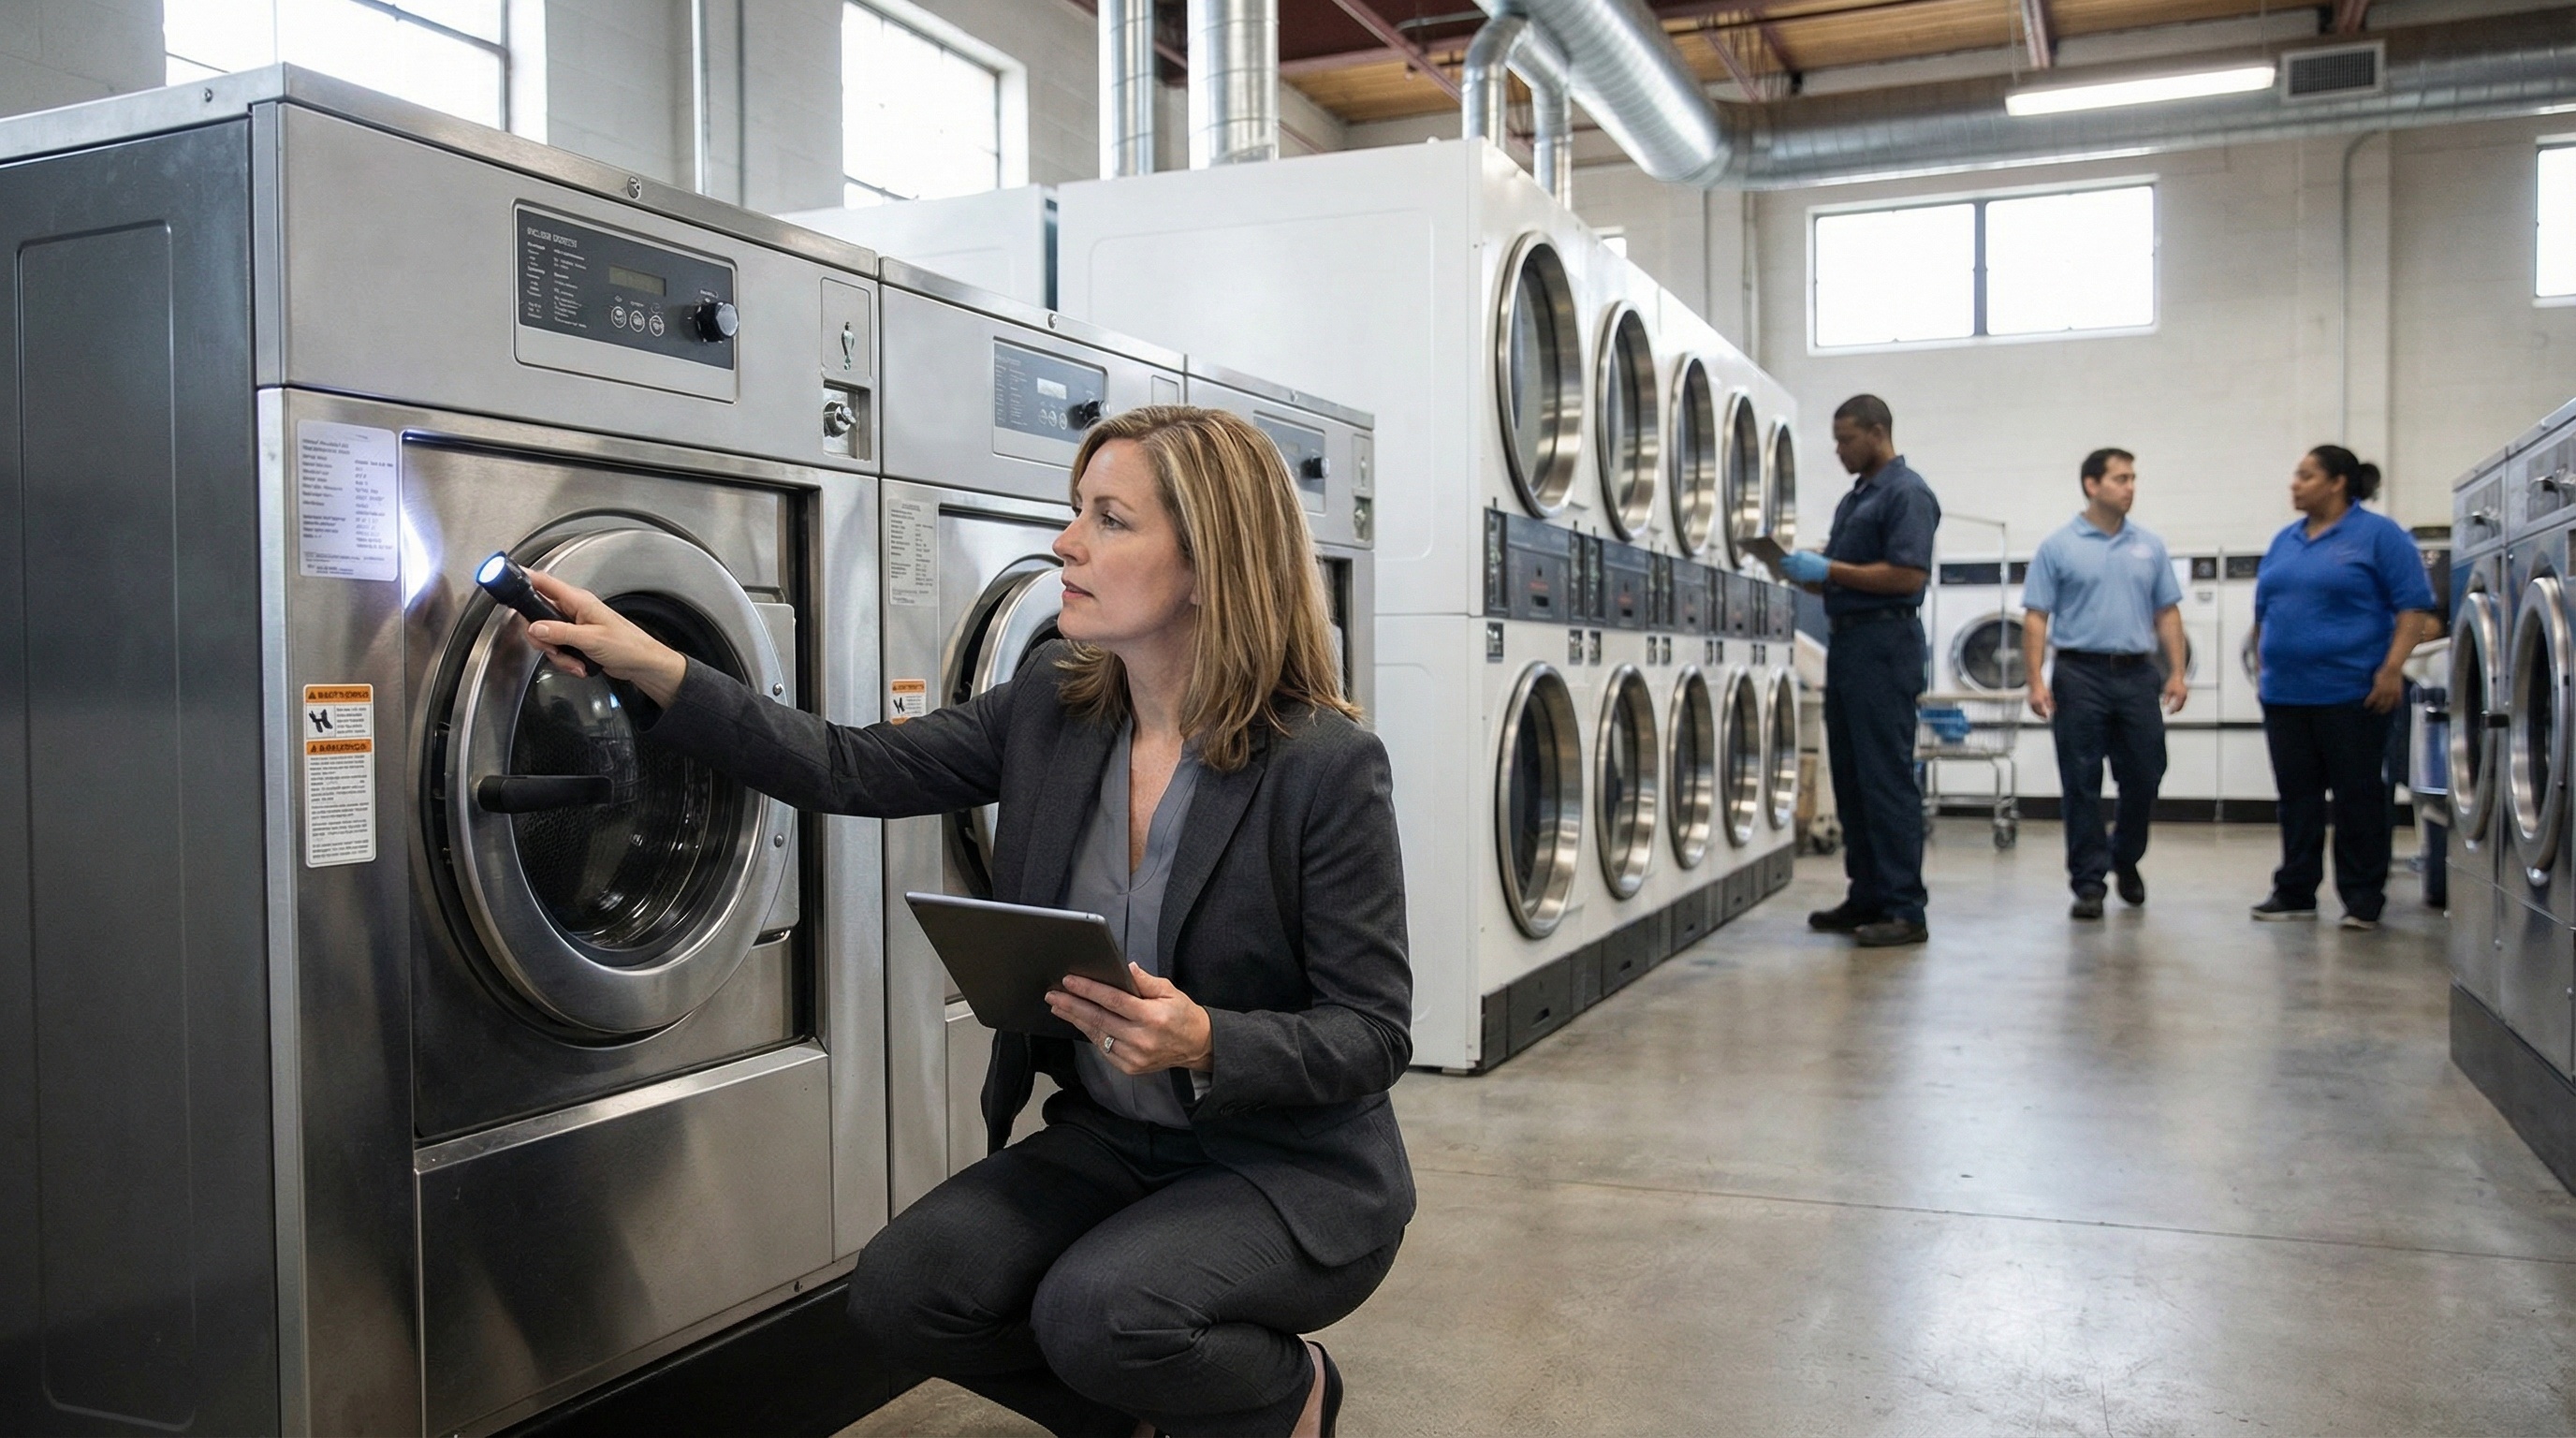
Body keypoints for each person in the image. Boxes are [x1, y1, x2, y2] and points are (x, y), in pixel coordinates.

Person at [520, 406, 1409, 1438]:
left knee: (1101, 1314)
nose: (1065, 543)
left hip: (1282, 1164)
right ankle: (1145, 1415)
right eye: (1074, 513)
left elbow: (1372, 1032)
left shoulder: (1324, 768)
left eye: (1109, 520)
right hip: (1114, 1139)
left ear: (1211, 563)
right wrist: (657, 665)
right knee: (905, 1291)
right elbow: (847, 764)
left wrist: (1210, 1039)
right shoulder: (1054, 704)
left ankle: (1285, 1396)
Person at [2247, 445, 2441, 930]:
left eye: (2306, 475)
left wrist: (2392, 668)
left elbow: (2413, 608)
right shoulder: (2285, 540)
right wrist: (2263, 660)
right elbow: (2265, 609)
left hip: (2353, 691)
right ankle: (2294, 891)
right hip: (2286, 693)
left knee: (2358, 797)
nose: (2295, 483)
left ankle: (2361, 898)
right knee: (2297, 798)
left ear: (2337, 483)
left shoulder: (2379, 535)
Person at [1780, 394, 1940, 947]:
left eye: (1846, 439)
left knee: (1885, 779)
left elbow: (1907, 576)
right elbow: (1847, 575)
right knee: (1851, 778)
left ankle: (1904, 909)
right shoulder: (1858, 499)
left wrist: (1830, 568)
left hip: (1884, 643)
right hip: (1850, 646)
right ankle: (1867, 895)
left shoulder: (1907, 493)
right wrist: (1806, 572)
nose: (1839, 450)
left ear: (1877, 433)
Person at [2021, 448, 2190, 920]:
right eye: (2121, 478)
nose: (2131, 487)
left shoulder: (2150, 546)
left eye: (2134, 478)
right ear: (2092, 485)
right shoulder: (2058, 546)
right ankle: (2089, 882)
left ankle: (2125, 856)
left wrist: (2177, 671)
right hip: (2079, 673)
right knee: (2081, 780)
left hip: (2138, 673)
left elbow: (2167, 611)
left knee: (2145, 773)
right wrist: (2035, 681)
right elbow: (2036, 616)